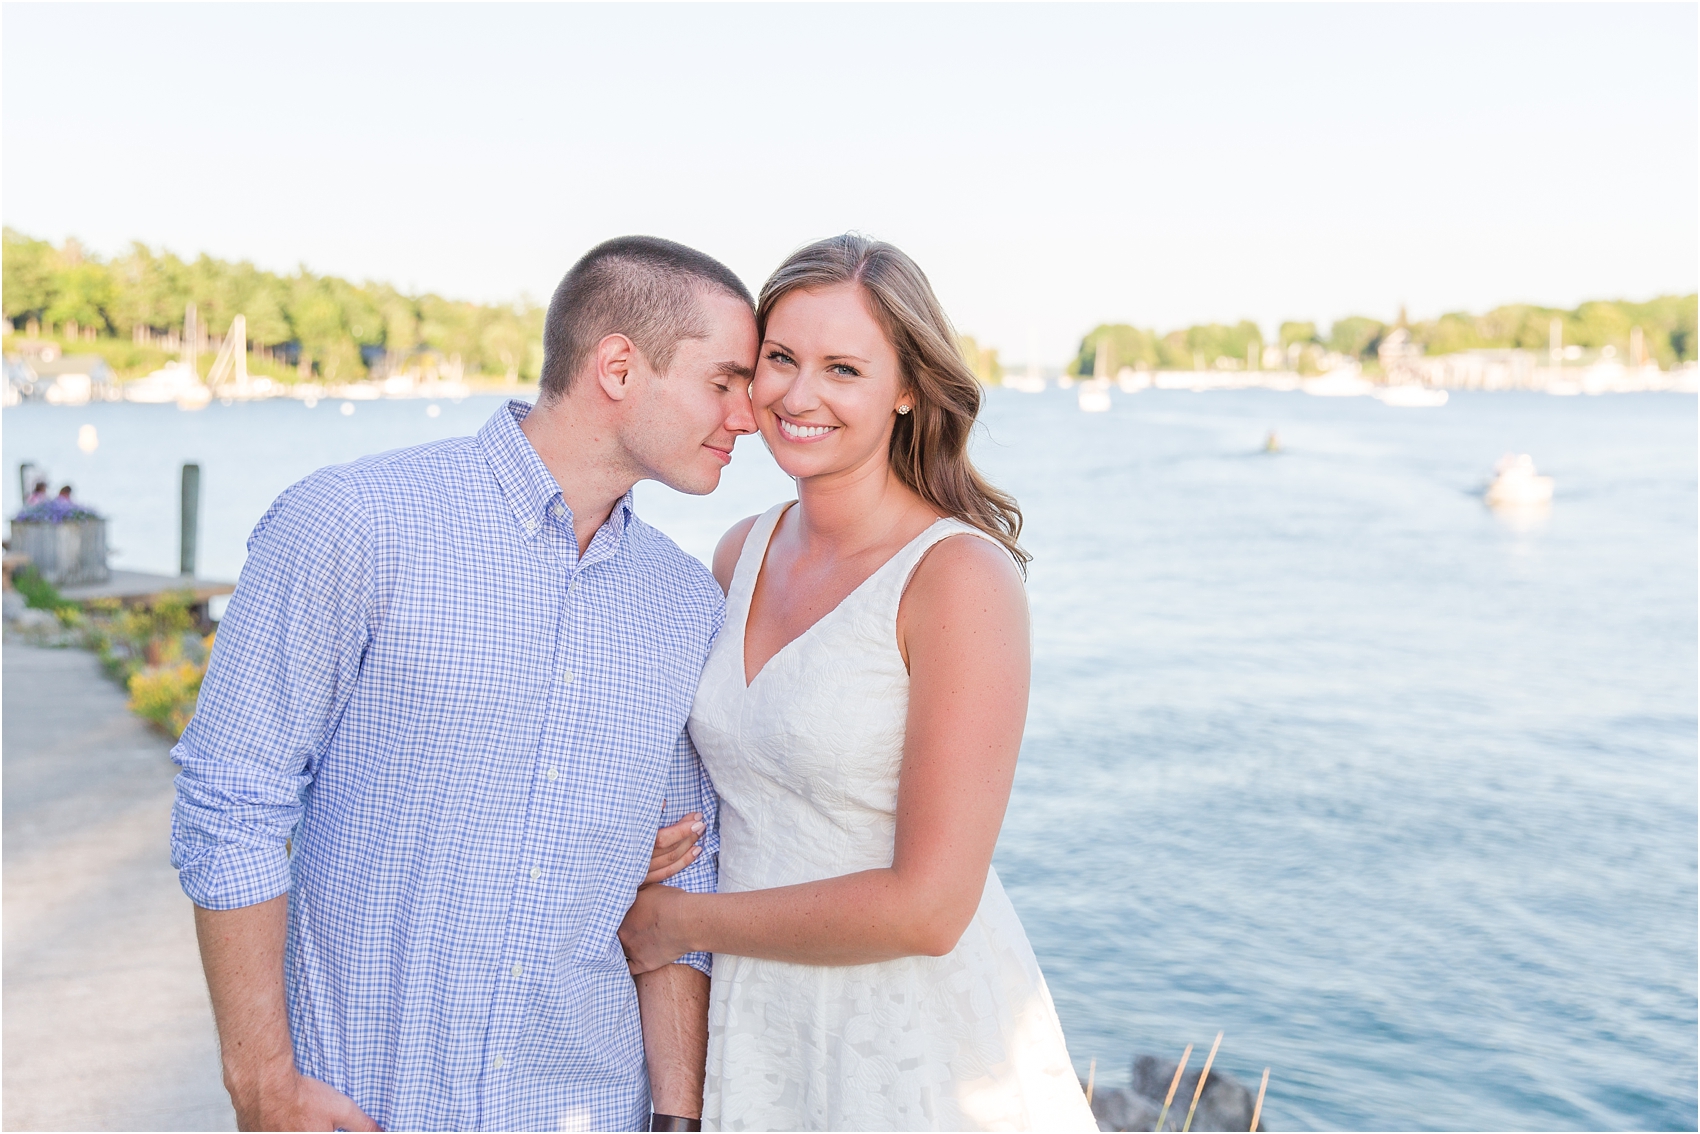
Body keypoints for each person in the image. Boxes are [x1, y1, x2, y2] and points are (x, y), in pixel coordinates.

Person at [171, 236, 759, 1132]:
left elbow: (687, 872)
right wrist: (263, 1083)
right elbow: (231, 801)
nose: (748, 416)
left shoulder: (683, 602)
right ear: (617, 366)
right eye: (725, 381)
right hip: (363, 1102)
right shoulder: (353, 522)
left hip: (584, 1108)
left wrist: (677, 1119)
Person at [619, 234, 1098, 1131]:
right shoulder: (740, 553)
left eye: (844, 368)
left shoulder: (957, 578)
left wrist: (681, 924)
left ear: (908, 391)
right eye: (780, 359)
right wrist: (626, 850)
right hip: (761, 1023)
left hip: (912, 1038)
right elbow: (710, 787)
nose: (800, 396)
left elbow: (929, 908)